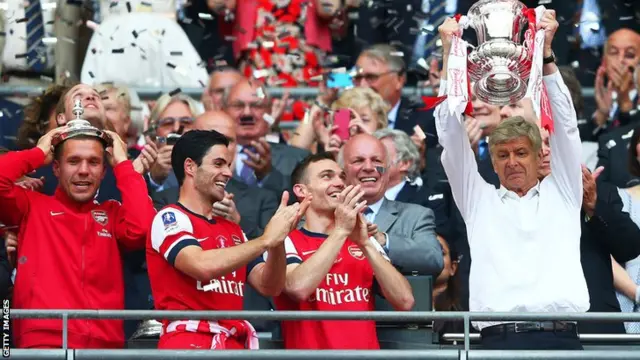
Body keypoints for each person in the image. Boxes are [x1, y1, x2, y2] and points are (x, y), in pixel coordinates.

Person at [435, 13, 588, 349]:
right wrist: (449, 55)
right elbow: (449, 135)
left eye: (521, 153)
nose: (512, 162)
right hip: (497, 342)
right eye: (502, 155)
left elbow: (566, 126)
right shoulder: (478, 201)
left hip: (562, 339)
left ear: (538, 155)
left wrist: (546, 54)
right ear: (491, 161)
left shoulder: (563, 193)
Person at [147, 129, 310, 349]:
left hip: (233, 345)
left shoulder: (233, 229)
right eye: (218, 164)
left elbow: (269, 286)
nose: (228, 173)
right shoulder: (169, 217)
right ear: (190, 167)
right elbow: (200, 265)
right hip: (187, 345)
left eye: (229, 165)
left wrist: (278, 240)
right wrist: (265, 240)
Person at [0, 123, 155, 348]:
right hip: (44, 340)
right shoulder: (30, 206)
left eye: (93, 162)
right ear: (55, 168)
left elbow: (142, 229)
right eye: (73, 161)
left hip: (104, 345)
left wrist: (123, 164)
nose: (83, 170)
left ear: (104, 171)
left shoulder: (111, 213)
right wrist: (37, 153)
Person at [265, 152, 413, 349]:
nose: (340, 183)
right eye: (327, 176)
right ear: (302, 190)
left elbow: (405, 301)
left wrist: (366, 244)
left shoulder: (363, 240)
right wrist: (341, 230)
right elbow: (297, 288)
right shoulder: (284, 240)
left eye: (342, 177)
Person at [339, 133, 443, 275]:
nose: (369, 167)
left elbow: (434, 260)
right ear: (342, 173)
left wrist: (382, 240)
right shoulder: (324, 216)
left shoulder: (416, 216)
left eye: (377, 161)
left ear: (387, 172)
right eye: (358, 160)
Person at [223, 79, 310, 194]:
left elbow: (303, 201)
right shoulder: (206, 156)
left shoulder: (298, 159)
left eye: (256, 106)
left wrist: (268, 175)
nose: (247, 113)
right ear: (223, 111)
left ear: (269, 111)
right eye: (238, 105)